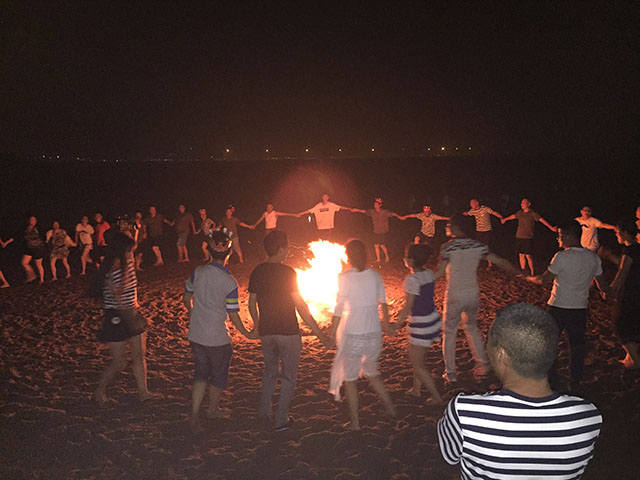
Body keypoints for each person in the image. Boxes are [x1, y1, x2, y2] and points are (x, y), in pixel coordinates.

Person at [438, 303, 602, 479]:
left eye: (489, 341)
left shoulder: (465, 413)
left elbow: (450, 457)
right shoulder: (587, 418)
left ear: (501, 354)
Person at [248, 230, 331, 431]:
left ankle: (263, 413)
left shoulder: (257, 271)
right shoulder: (288, 273)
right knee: (288, 377)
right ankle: (281, 420)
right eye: (286, 246)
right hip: (288, 332)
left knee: (269, 372)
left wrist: (257, 325)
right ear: (281, 249)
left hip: (267, 332)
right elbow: (300, 306)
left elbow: (251, 303)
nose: (288, 249)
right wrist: (320, 335)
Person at [183, 228, 258, 433]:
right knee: (218, 376)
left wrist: (193, 313)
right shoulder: (229, 281)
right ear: (229, 253)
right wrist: (247, 333)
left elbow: (186, 297)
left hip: (196, 335)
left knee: (200, 374)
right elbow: (233, 313)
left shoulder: (198, 272)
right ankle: (212, 410)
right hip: (217, 338)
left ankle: (195, 414)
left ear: (209, 251)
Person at [526, 220, 606, 391]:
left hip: (558, 307)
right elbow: (602, 285)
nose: (558, 239)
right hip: (579, 309)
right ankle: (575, 381)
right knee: (577, 347)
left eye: (560, 235)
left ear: (569, 236)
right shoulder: (593, 258)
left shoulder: (562, 256)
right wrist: (607, 291)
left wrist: (530, 278)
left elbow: (544, 280)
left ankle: (552, 381)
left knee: (549, 344)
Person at [438, 214, 516, 384]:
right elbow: (498, 260)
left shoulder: (447, 247)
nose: (446, 227)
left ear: (457, 227)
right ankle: (484, 364)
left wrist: (421, 279)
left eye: (449, 225)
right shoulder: (478, 245)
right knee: (471, 327)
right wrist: (517, 272)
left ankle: (450, 373)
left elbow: (439, 272)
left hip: (454, 295)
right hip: (472, 294)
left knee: (449, 333)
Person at [328, 239, 397, 430]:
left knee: (350, 379)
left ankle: (355, 422)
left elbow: (338, 308)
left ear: (348, 257)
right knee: (372, 373)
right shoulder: (375, 275)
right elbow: (383, 303)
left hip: (354, 334)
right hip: (374, 334)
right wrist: (387, 325)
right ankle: (391, 409)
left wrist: (331, 333)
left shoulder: (344, 277)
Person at [94, 233, 156, 404]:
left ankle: (143, 393)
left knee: (139, 356)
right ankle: (99, 391)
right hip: (117, 316)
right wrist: (130, 313)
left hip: (132, 313)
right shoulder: (112, 269)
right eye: (129, 250)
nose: (131, 253)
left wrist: (135, 304)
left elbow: (131, 289)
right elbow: (117, 296)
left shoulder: (128, 263)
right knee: (119, 362)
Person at [395, 244, 444, 405]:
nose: (404, 259)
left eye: (406, 256)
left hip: (421, 324)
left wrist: (396, 324)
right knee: (417, 359)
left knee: (417, 363)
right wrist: (444, 261)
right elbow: (440, 272)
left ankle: (437, 397)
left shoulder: (411, 279)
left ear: (410, 261)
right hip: (431, 320)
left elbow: (408, 306)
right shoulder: (428, 273)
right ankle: (416, 390)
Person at [608, 220, 640, 369]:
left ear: (625, 233)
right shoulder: (637, 248)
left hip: (630, 292)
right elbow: (627, 265)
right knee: (632, 322)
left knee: (620, 324)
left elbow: (623, 271)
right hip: (636, 291)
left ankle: (636, 360)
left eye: (617, 232)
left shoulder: (629, 250)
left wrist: (612, 289)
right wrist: (609, 256)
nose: (616, 235)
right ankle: (629, 359)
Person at [501, 198, 557, 275]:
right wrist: (505, 219)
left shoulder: (532, 213)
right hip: (519, 236)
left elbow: (542, 220)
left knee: (528, 256)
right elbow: (513, 216)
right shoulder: (520, 213)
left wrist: (551, 227)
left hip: (528, 237)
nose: (522, 204)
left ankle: (532, 272)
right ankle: (523, 271)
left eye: (524, 203)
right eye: (521, 203)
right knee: (521, 255)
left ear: (528, 204)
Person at [351, 197, 401, 265]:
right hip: (376, 231)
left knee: (382, 245)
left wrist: (399, 217)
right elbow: (364, 211)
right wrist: (356, 210)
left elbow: (392, 214)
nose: (375, 205)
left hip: (383, 231)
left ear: (380, 205)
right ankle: (378, 259)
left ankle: (387, 257)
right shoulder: (372, 212)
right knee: (376, 245)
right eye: (374, 204)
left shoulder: (384, 212)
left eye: (376, 204)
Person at [22, 216, 45, 284]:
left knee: (38, 264)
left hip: (38, 248)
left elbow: (43, 236)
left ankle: (42, 279)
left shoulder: (38, 228)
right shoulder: (26, 228)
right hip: (29, 248)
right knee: (24, 262)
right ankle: (32, 276)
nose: (32, 221)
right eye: (31, 220)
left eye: (34, 220)